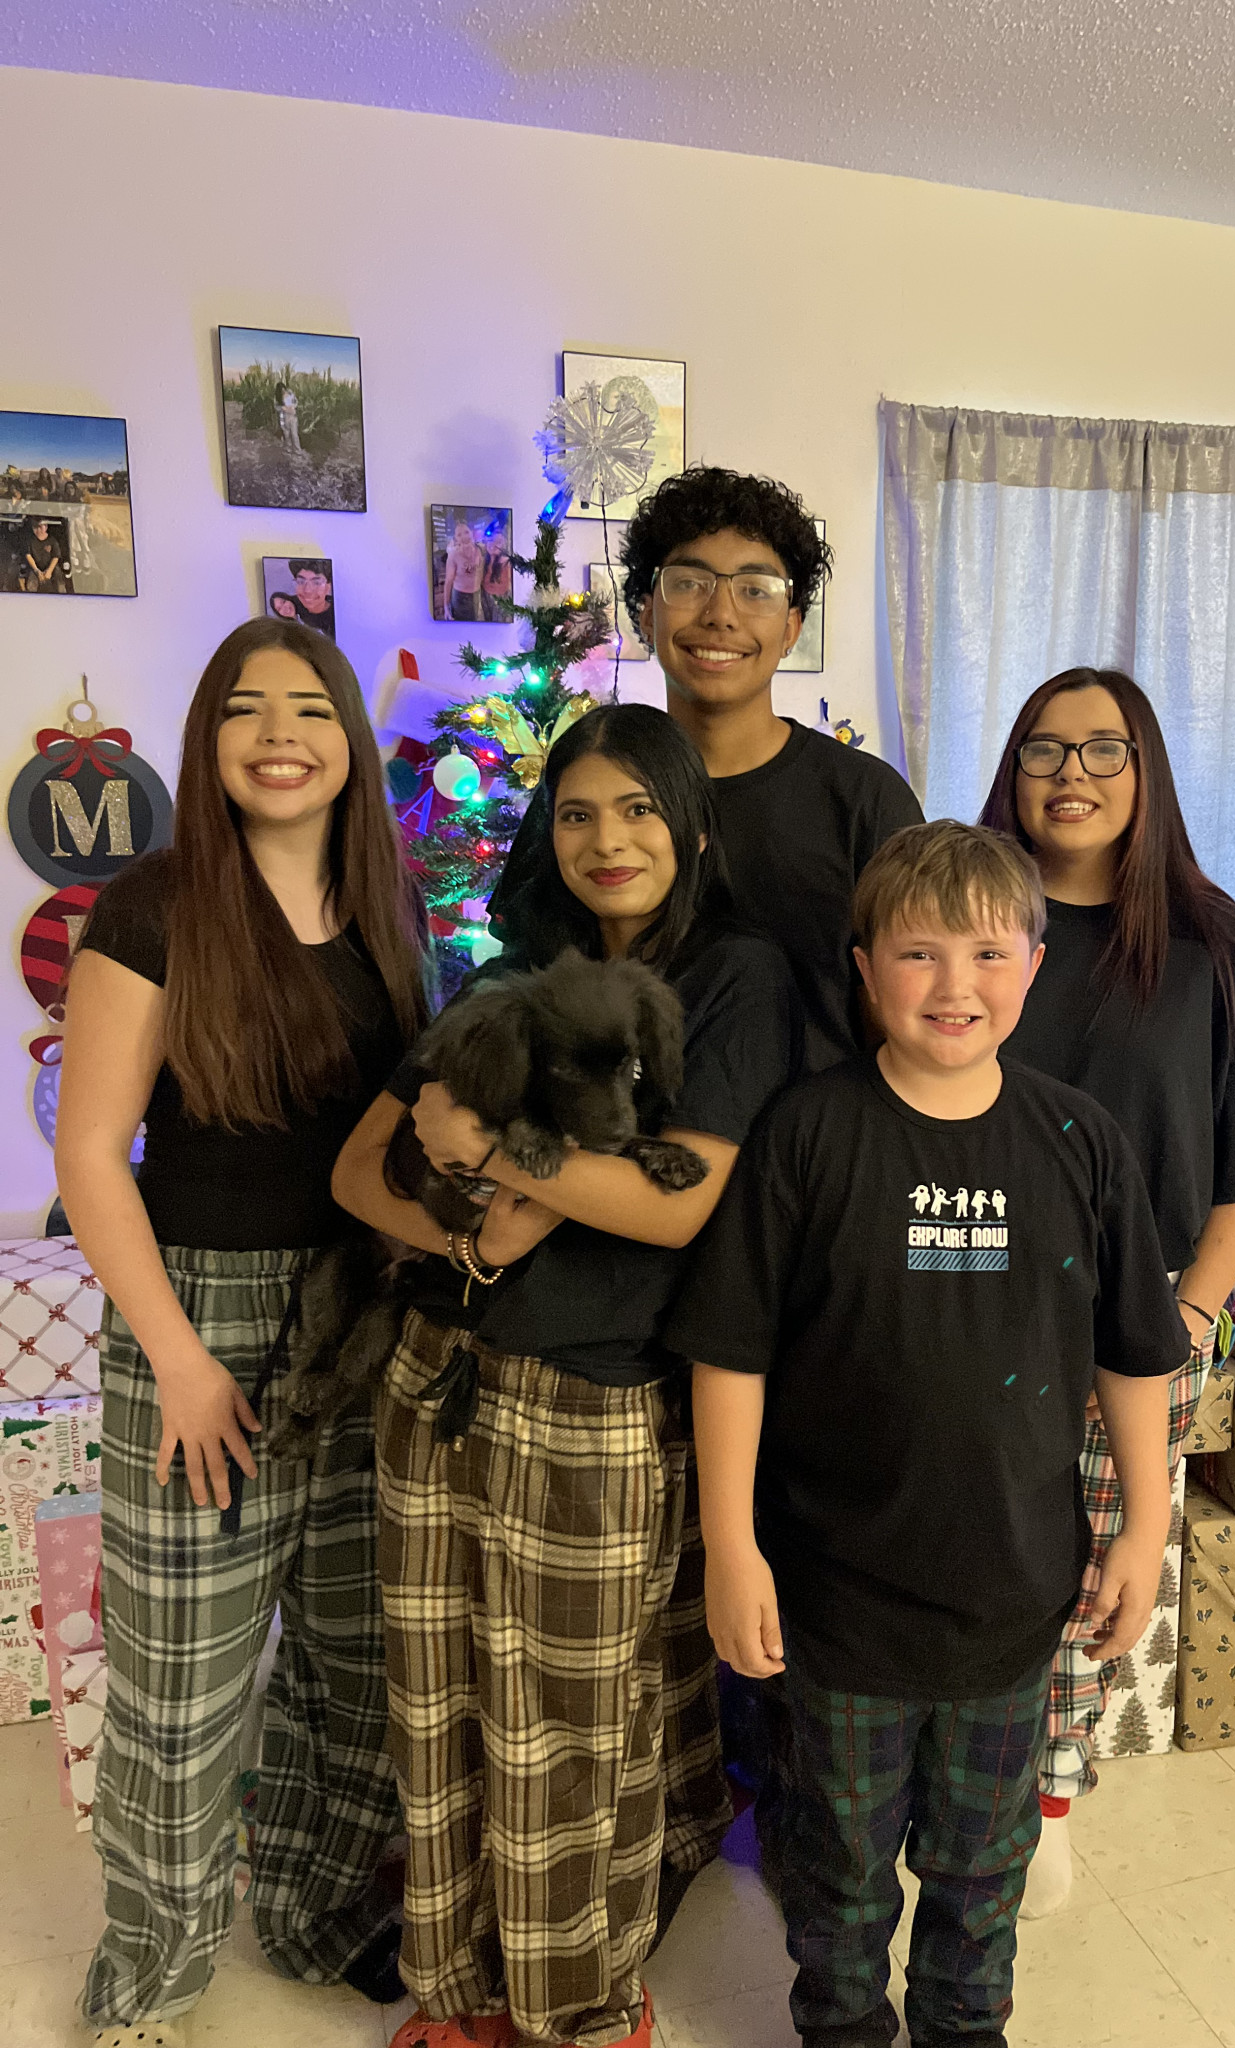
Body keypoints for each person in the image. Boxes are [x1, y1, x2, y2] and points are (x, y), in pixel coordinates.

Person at [669, 820, 1189, 2048]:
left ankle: (963, 2026)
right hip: (836, 1603)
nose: (955, 984)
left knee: (981, 1862)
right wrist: (731, 1545)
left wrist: (1146, 1525)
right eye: (918, 953)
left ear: (1034, 963)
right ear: (864, 968)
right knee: (837, 1864)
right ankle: (844, 2026)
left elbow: (1134, 1352)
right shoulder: (807, 1132)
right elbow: (730, 1353)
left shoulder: (1082, 1142)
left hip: (1012, 1596)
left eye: (989, 952)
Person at [332, 703, 801, 2048]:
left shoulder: (735, 976)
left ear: (690, 826)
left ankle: (581, 2009)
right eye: (580, 812)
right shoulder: (507, 975)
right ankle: (461, 1988)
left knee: (571, 1736)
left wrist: (495, 1159)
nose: (609, 839)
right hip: (436, 1379)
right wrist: (470, 1240)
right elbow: (359, 1169)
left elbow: (682, 1200)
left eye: (639, 809)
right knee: (441, 1709)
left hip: (597, 1403)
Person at [56, 616, 432, 2047]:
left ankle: (322, 1910)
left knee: (354, 1660)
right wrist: (182, 1361)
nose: (281, 734)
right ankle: (151, 1979)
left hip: (363, 1315)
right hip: (197, 1315)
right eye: (246, 709)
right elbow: (91, 1153)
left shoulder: (387, 907)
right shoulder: (152, 907)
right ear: (207, 739)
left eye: (311, 707)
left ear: (349, 739)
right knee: (183, 1687)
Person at [980, 665, 1235, 1912]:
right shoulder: (974, 922)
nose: (1071, 773)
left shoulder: (1209, 947)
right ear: (1013, 769)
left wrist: (1190, 1313)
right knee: (971, 1544)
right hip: (967, 1288)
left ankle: (1050, 1797)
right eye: (1044, 748)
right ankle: (957, 1776)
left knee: (1101, 1568)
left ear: (1146, 770)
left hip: (1143, 1316)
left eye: (1102, 749)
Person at [493, 467, 922, 1073]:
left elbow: (910, 1002)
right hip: (623, 1128)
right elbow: (525, 976)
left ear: (792, 627)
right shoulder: (589, 788)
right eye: (689, 583)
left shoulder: (864, 799)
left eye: (756, 590)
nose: (721, 614)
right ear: (646, 615)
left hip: (816, 1127)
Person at [440, 516, 486, 622]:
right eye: (459, 535)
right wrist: (446, 607)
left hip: (476, 595)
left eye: (466, 532)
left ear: (471, 533)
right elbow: (448, 582)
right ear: (455, 538)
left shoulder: (480, 550)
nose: (464, 537)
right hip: (460, 598)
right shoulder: (453, 555)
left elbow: (481, 572)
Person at [288, 557, 337, 638]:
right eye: (301, 582)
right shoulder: (289, 605)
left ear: (328, 587)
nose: (307, 590)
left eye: (317, 583)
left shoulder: (337, 615)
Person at [22, 514, 63, 592]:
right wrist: (37, 571)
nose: (38, 530)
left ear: (46, 527)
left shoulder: (52, 541)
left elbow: (56, 557)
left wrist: (49, 570)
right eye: (35, 527)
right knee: (31, 584)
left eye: (40, 527)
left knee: (59, 581)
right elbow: (28, 555)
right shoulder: (30, 541)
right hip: (35, 568)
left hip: (51, 568)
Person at [278, 383, 303, 456]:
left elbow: (295, 402)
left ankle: (297, 450)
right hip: (285, 417)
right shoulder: (279, 400)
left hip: (292, 417)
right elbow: (279, 411)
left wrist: (293, 407)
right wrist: (283, 408)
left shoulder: (290, 393)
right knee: (287, 434)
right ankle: (288, 448)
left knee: (294, 434)